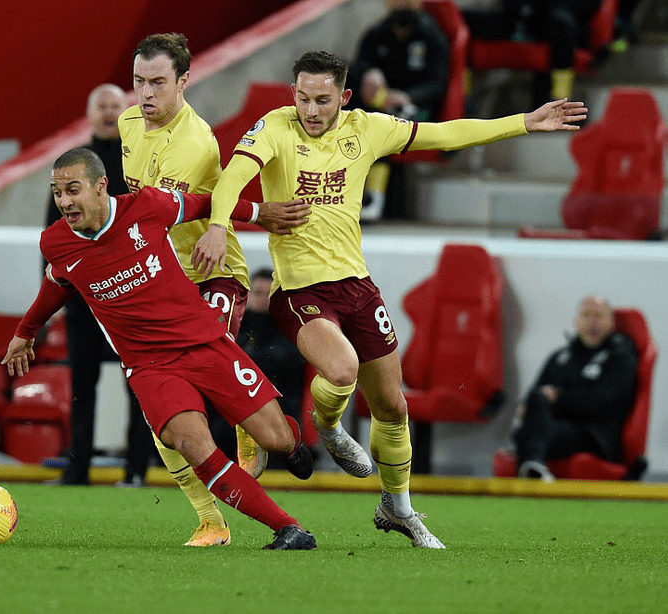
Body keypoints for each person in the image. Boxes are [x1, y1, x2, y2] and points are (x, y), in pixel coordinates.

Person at [194, 50, 587, 548]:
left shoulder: (368, 128)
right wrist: (218, 225)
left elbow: (444, 134)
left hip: (356, 287)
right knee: (341, 371)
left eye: (322, 100)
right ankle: (329, 428)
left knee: (392, 407)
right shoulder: (275, 126)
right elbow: (234, 174)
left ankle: (398, 509)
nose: (311, 110)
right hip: (299, 290)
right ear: (293, 93)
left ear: (344, 96)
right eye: (303, 98)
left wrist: (523, 123)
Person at [2, 148, 316, 550]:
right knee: (192, 444)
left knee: (276, 439)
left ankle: (290, 442)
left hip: (203, 342)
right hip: (150, 366)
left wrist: (259, 213)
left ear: (100, 186)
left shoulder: (147, 206)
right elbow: (58, 282)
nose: (64, 201)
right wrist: (26, 330)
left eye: (73, 190)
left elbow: (206, 203)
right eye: (57, 192)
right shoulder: (56, 242)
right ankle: (287, 528)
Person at [117, 32, 310, 546]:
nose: (146, 93)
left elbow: (153, 218)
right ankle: (210, 520)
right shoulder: (128, 123)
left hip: (211, 274)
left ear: (183, 81)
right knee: (163, 414)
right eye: (138, 81)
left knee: (205, 373)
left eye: (158, 82)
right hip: (160, 286)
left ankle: (256, 428)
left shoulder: (192, 142)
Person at [43, 84, 153, 487]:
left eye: (114, 106)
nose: (108, 113)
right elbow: (52, 238)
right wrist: (51, 298)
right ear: (90, 114)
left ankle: (137, 470)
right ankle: (77, 470)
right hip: (83, 301)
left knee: (139, 386)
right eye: (102, 106)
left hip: (130, 298)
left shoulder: (138, 162)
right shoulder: (68, 168)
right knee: (81, 387)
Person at [512, 296, 637, 482]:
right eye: (586, 315)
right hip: (553, 427)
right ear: (577, 321)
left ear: (610, 322)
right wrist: (525, 406)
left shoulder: (621, 357)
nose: (592, 321)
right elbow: (536, 394)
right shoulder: (560, 357)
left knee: (528, 435)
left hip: (593, 434)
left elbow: (604, 401)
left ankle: (532, 466)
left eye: (598, 315)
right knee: (532, 415)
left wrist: (559, 398)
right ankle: (533, 467)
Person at [346, 0, 450, 221]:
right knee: (355, 117)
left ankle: (374, 199)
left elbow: (437, 84)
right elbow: (357, 67)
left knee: (384, 125)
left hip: (417, 107)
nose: (402, 9)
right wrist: (369, 73)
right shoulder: (375, 34)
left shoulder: (432, 37)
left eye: (408, 5)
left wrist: (408, 96)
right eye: (397, 4)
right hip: (380, 102)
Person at [462, 1, 603, 105]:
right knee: (464, 19)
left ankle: (560, 97)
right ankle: (462, 95)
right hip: (520, 20)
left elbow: (589, 6)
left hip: (555, 23)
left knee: (561, 22)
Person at [235, 268, 306, 472]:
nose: (262, 300)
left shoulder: (291, 329)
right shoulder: (235, 325)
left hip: (278, 408)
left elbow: (281, 361)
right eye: (258, 293)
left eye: (269, 295)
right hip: (233, 407)